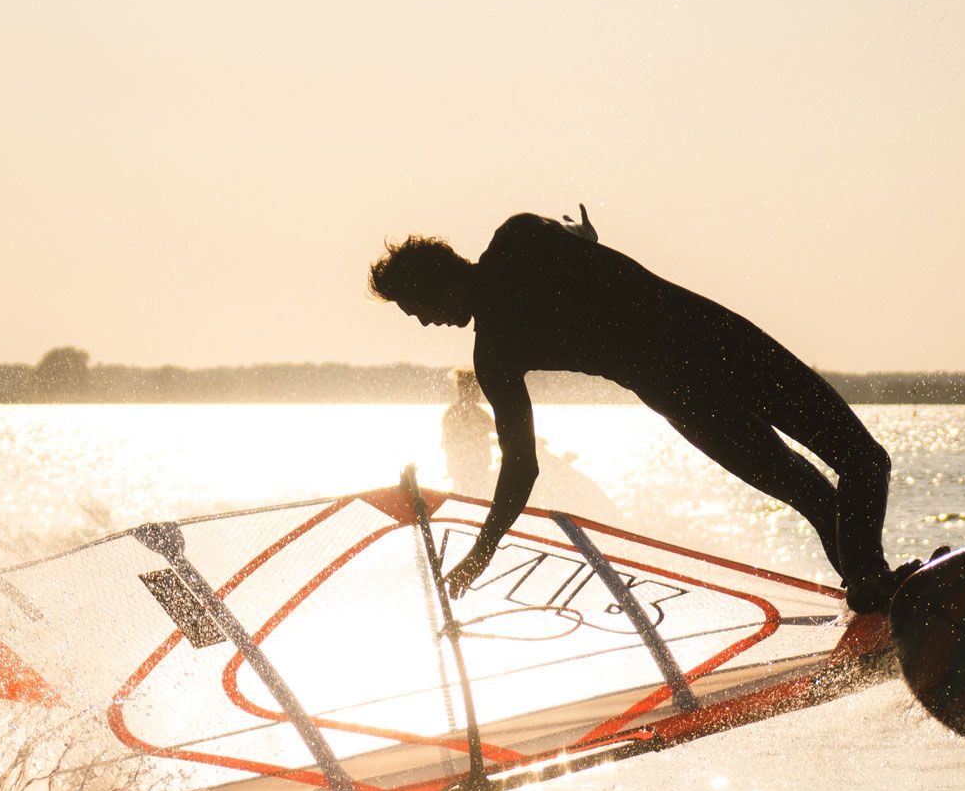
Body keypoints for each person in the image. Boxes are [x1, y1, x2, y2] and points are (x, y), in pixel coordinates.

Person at [369, 205, 918, 613]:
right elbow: (521, 466)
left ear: (440, 279)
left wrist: (482, 551)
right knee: (857, 466)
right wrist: (581, 240)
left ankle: (872, 589)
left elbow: (520, 468)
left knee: (831, 489)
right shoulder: (516, 247)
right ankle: (876, 591)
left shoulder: (496, 346)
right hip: (710, 356)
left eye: (417, 306)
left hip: (700, 372)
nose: (421, 321)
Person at [442, 369, 495, 497]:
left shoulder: (478, 412)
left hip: (476, 470)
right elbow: (455, 442)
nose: (480, 393)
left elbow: (498, 431)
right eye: (477, 389)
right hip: (466, 472)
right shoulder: (456, 413)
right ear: (465, 390)